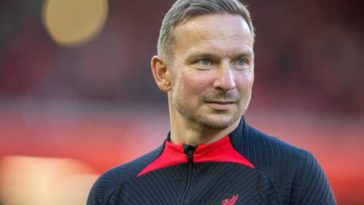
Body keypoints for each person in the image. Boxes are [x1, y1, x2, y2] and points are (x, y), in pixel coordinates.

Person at [87, 0, 336, 204]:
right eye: (205, 61)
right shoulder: (114, 192)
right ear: (163, 73)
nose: (227, 82)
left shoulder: (292, 176)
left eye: (241, 61)